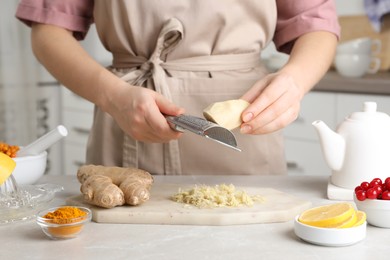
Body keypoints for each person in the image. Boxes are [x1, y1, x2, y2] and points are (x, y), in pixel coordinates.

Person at [15, 0, 340, 175]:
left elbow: (316, 23)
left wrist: (293, 82)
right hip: (125, 115)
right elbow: (49, 31)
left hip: (243, 129)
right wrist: (113, 97)